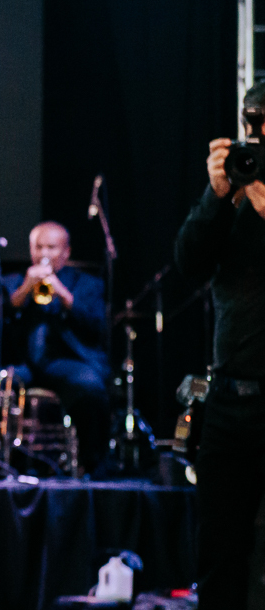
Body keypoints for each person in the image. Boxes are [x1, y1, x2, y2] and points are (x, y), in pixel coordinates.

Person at [175, 80, 265, 610]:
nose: (257, 136)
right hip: (230, 401)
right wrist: (216, 195)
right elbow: (188, 264)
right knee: (220, 557)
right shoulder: (233, 191)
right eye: (252, 123)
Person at [3, 221, 108, 473]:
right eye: (38, 247)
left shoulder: (87, 284)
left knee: (91, 387)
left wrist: (63, 294)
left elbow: (96, 325)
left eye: (51, 247)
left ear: (66, 252)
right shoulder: (15, 281)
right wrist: (25, 289)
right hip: (24, 363)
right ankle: (1, 462)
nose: (44, 254)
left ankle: (92, 464)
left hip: (67, 362)